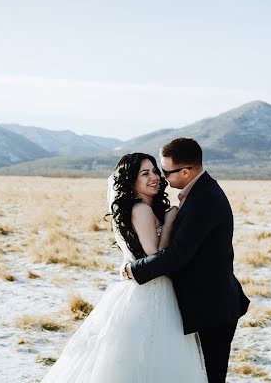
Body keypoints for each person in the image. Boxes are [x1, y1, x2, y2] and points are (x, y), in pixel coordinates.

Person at [41, 152, 208, 383]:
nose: (154, 177)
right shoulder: (141, 209)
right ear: (131, 181)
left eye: (155, 171)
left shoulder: (148, 207)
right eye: (145, 173)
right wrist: (169, 222)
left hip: (154, 287)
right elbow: (154, 253)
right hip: (151, 291)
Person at [125, 138, 249, 383]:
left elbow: (178, 255)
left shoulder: (204, 199)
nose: (161, 177)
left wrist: (133, 269)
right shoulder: (200, 192)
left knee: (210, 376)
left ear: (185, 171)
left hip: (212, 308)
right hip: (207, 304)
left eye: (165, 172)